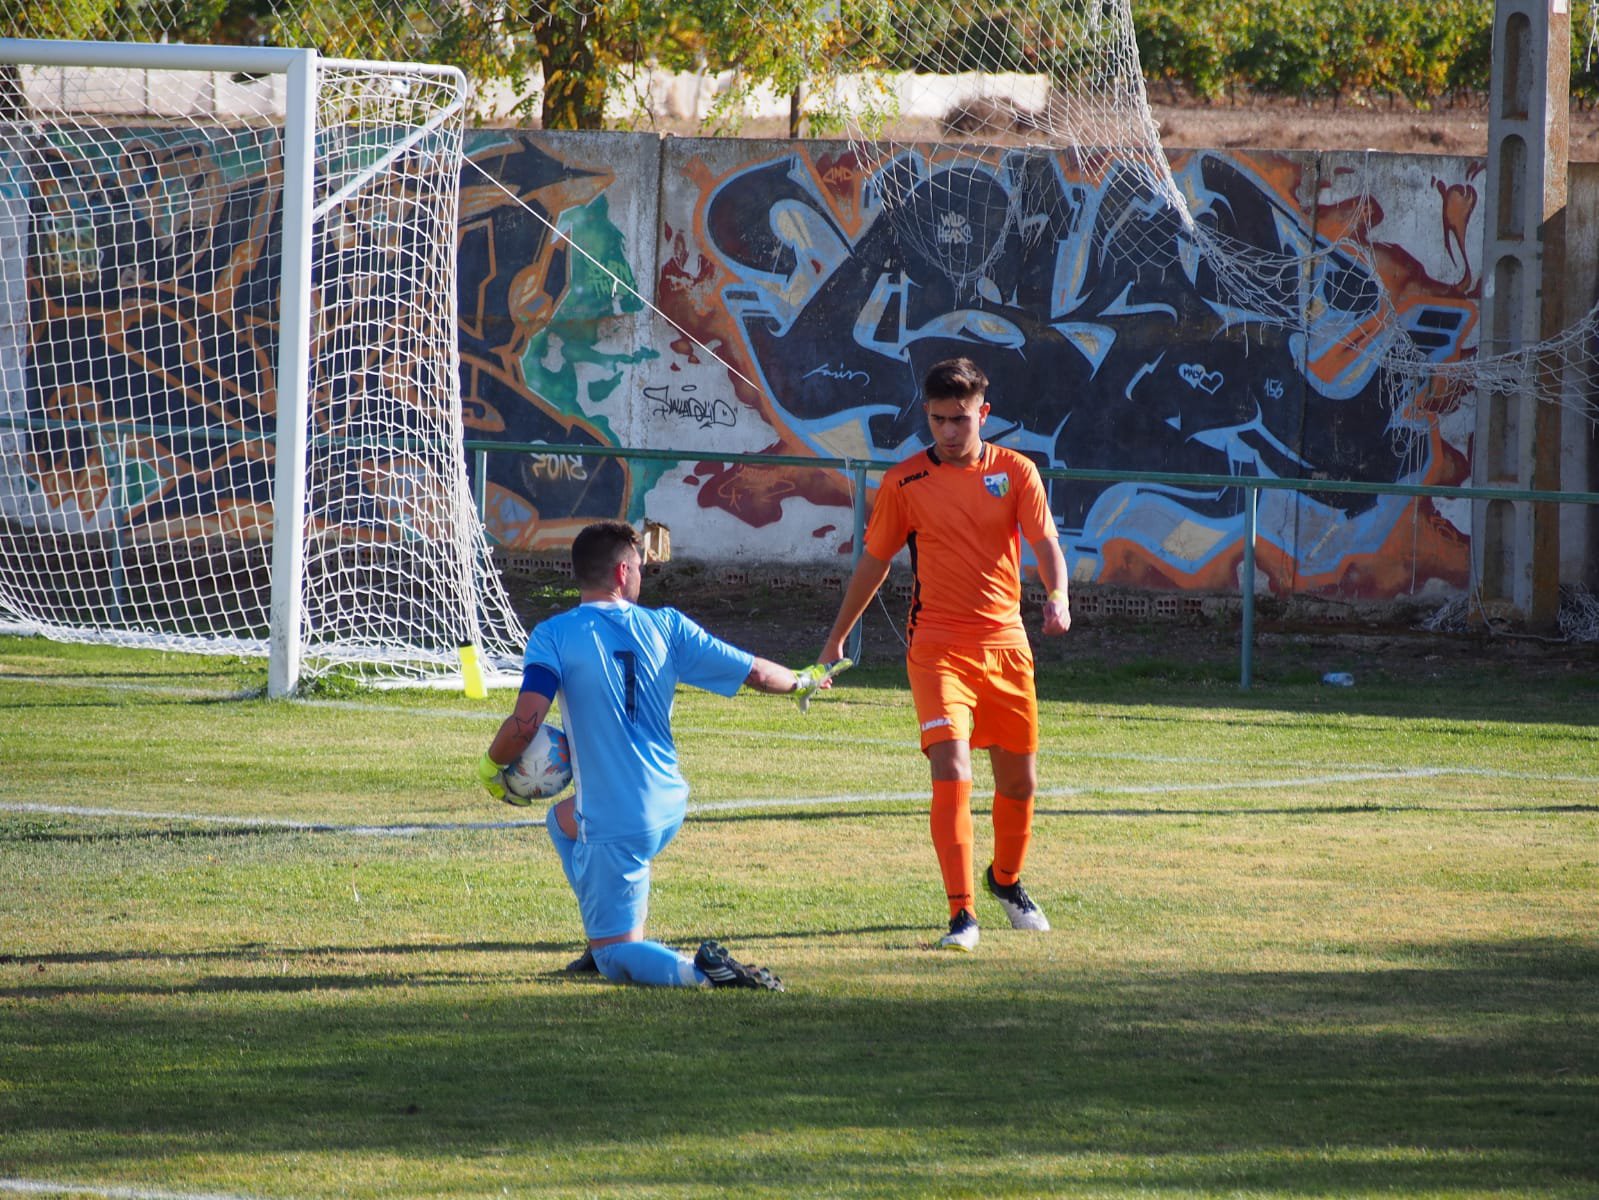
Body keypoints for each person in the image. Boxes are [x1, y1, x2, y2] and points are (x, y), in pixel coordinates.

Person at [477, 520, 842, 990]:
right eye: (640, 569)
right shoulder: (667, 625)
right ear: (622, 572)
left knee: (615, 958)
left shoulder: (553, 635)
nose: (641, 577)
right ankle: (603, 928)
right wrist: (804, 679)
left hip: (616, 820)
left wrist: (491, 767)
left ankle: (701, 972)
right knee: (561, 820)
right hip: (667, 801)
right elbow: (755, 673)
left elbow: (526, 723)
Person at [819, 357, 1070, 952]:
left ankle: (1005, 881)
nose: (950, 431)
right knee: (952, 771)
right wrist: (836, 639)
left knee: (1020, 784)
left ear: (984, 413)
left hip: (1007, 646)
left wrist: (1058, 596)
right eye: (938, 420)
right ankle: (962, 914)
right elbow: (874, 563)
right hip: (937, 647)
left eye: (960, 419)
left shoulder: (1016, 472)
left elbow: (1045, 542)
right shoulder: (905, 481)